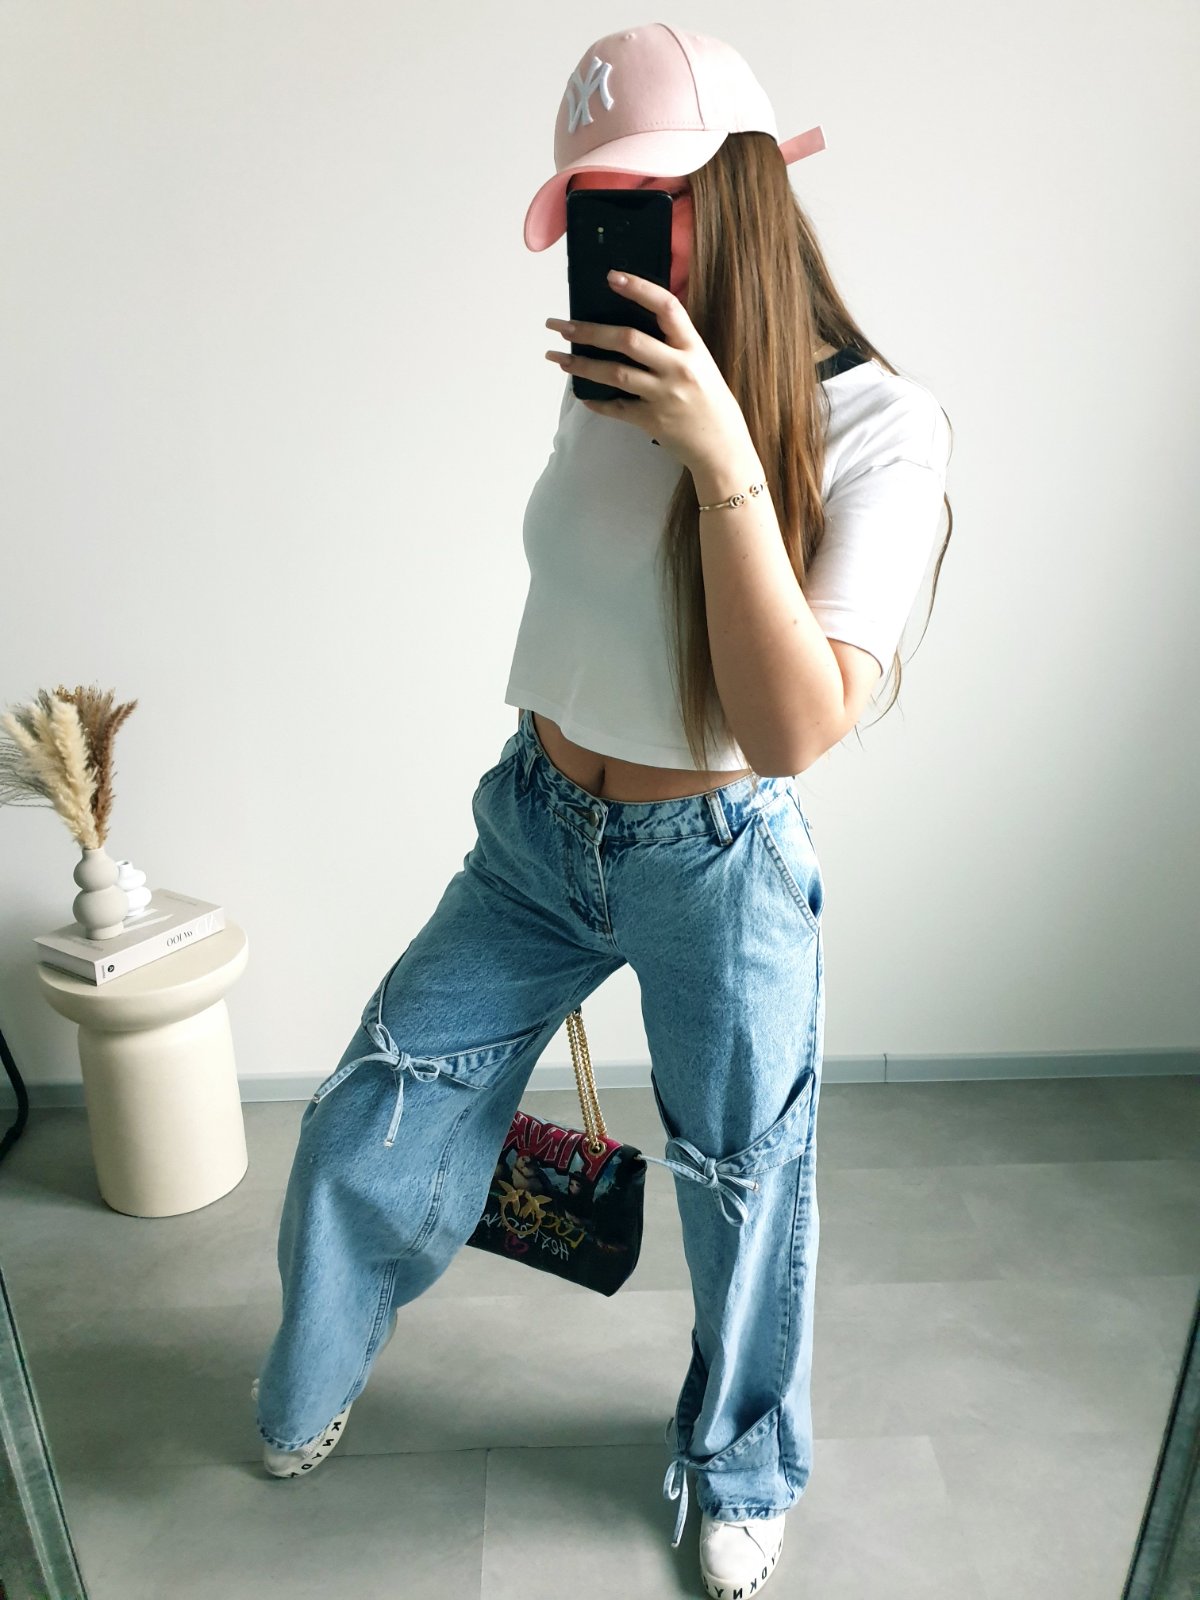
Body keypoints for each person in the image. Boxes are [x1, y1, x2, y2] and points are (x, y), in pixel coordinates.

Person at [252, 22, 954, 1600]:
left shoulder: (882, 426)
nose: (613, 243)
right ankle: (316, 1370)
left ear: (745, 190)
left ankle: (743, 1468)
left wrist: (721, 455)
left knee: (744, 1188)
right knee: (371, 1107)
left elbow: (793, 728)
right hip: (533, 829)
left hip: (717, 862)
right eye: (591, 211)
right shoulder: (600, 383)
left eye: (645, 202)